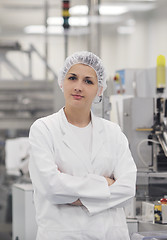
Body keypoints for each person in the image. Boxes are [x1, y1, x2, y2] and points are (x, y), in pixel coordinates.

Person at [28, 51, 137, 240]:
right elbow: (52, 188)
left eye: (88, 81)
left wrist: (72, 192)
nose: (79, 87)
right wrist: (105, 183)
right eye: (72, 78)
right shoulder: (44, 129)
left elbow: (127, 190)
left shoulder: (113, 132)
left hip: (109, 234)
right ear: (62, 82)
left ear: (99, 89)